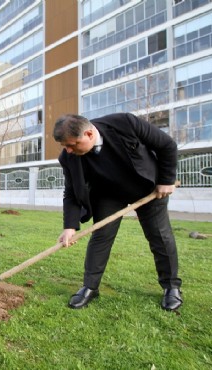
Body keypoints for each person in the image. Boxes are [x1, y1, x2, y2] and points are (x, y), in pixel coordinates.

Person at [53, 113, 182, 311]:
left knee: (159, 236)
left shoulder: (125, 123)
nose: (68, 150)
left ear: (88, 134)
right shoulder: (68, 157)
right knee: (101, 237)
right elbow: (71, 192)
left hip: (147, 188)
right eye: (65, 147)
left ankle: (171, 287)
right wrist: (70, 226)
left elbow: (167, 145)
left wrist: (166, 179)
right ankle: (90, 287)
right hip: (108, 194)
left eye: (72, 145)